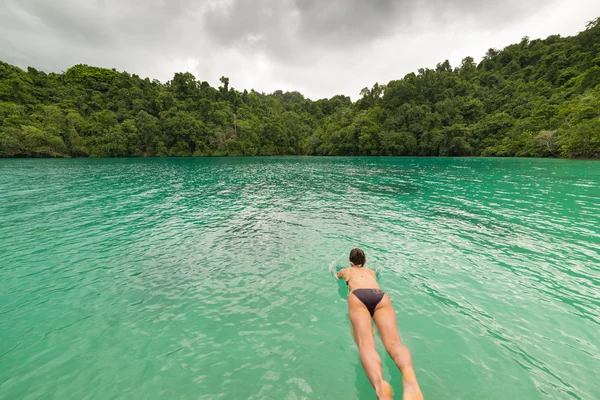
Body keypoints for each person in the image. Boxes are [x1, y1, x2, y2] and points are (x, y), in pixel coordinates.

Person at [337, 248, 424, 400]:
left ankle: (380, 385)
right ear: (364, 262)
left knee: (366, 345)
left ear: (351, 262)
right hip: (380, 295)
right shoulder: (371, 272)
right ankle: (409, 377)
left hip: (358, 296)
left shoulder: (346, 271)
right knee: (394, 344)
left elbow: (338, 276)